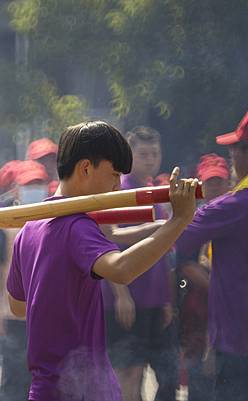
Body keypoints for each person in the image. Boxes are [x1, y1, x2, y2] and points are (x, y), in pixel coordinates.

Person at [6, 121, 198, 401]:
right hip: (82, 390)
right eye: (114, 174)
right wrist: (179, 221)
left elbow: (18, 306)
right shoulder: (77, 226)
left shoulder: (30, 228)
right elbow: (121, 269)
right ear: (85, 168)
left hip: (46, 388)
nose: (117, 185)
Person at [101, 126, 179, 401]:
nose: (150, 159)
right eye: (143, 154)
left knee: (157, 371)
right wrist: (121, 294)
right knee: (128, 372)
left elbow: (163, 252)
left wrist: (166, 300)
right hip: (126, 300)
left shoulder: (153, 193)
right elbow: (105, 244)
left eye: (154, 154)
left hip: (153, 301)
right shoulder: (118, 192)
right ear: (128, 155)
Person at [176, 111, 248, 401]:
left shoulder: (234, 206)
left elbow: (178, 237)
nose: (231, 154)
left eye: (236, 148)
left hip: (239, 340)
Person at [0, 160, 49, 401]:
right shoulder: (1, 223)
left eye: (39, 183)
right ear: (17, 189)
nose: (35, 188)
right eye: (29, 184)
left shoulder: (57, 218)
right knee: (13, 383)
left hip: (48, 317)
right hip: (14, 316)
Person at [178, 154, 229, 401]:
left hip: (229, 311)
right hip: (198, 308)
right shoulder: (195, 219)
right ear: (200, 185)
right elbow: (184, 265)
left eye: (219, 181)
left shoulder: (235, 213)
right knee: (198, 374)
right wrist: (216, 287)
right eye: (210, 182)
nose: (215, 187)